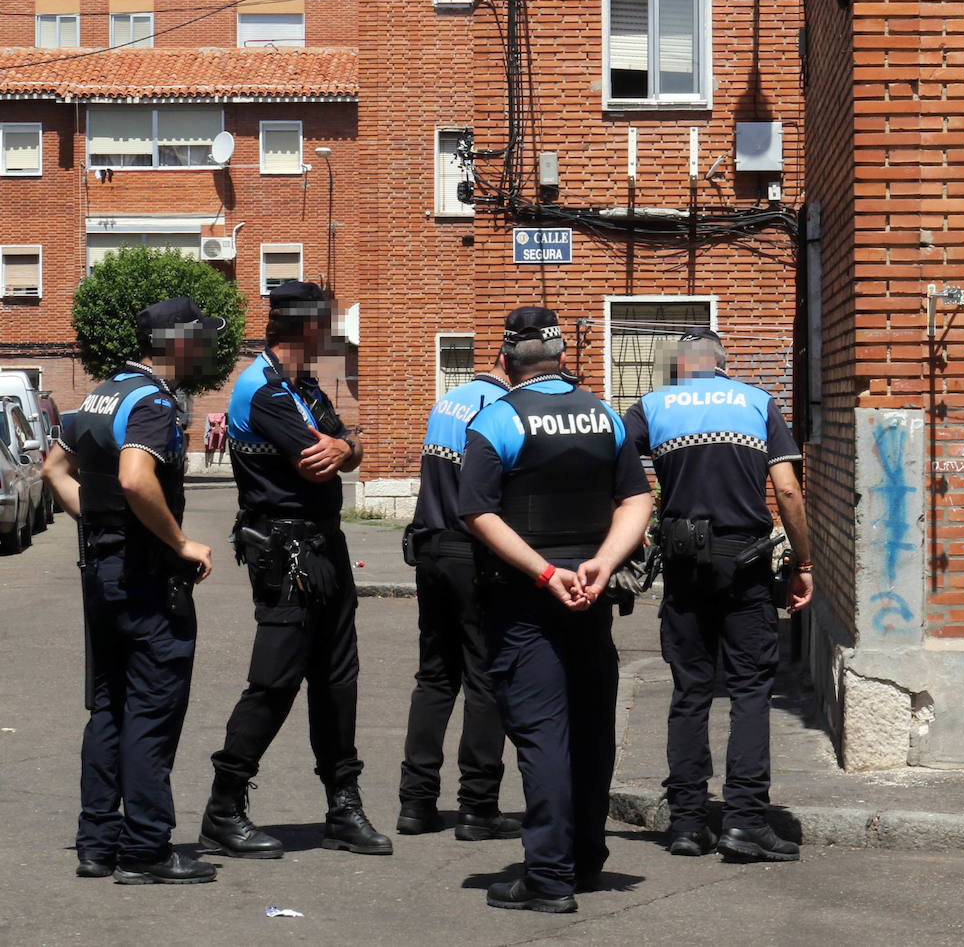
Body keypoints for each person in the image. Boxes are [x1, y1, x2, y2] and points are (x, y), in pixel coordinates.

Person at [459, 306, 652, 914]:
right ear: (563, 356)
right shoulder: (604, 416)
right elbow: (637, 499)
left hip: (527, 599)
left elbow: (479, 512)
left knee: (543, 736)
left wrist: (545, 573)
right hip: (592, 595)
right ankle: (585, 858)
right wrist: (602, 561)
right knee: (592, 729)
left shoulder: (497, 420)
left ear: (508, 361)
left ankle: (547, 877)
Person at [199, 281, 392, 859]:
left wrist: (347, 447)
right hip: (285, 555)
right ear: (306, 328)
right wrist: (343, 448)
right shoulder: (263, 389)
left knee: (338, 679)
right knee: (275, 681)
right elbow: (318, 465)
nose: (332, 336)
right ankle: (223, 807)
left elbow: (347, 444)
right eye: (327, 326)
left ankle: (343, 806)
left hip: (325, 548)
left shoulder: (303, 385)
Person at [43, 296, 224, 885]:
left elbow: (53, 470)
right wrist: (179, 544)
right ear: (176, 345)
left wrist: (98, 525)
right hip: (146, 576)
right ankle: (146, 849)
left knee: (110, 709)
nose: (207, 350)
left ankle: (97, 843)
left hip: (102, 568)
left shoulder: (101, 393)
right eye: (200, 339)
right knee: (150, 710)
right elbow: (134, 477)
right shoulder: (151, 402)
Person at [622, 327, 813, 863]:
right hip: (745, 561)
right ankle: (745, 822)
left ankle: (686, 822)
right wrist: (805, 562)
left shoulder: (652, 406)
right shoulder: (757, 403)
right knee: (750, 689)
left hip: (682, 564)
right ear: (723, 364)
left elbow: (612, 472)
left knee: (690, 691)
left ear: (680, 367)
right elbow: (789, 489)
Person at [396, 359, 520, 841]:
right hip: (473, 555)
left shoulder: (449, 399)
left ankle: (416, 802)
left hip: (430, 547)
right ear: (509, 364)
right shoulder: (501, 407)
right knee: (485, 679)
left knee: (435, 678)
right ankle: (478, 806)